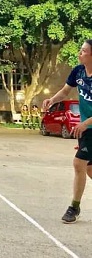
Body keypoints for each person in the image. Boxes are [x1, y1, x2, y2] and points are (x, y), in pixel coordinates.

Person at [42, 39, 92, 224]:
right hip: (86, 128)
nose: (80, 53)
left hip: (89, 127)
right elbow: (65, 92)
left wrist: (85, 123)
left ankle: (74, 207)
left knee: (79, 163)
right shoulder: (78, 71)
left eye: (84, 51)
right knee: (89, 168)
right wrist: (52, 100)